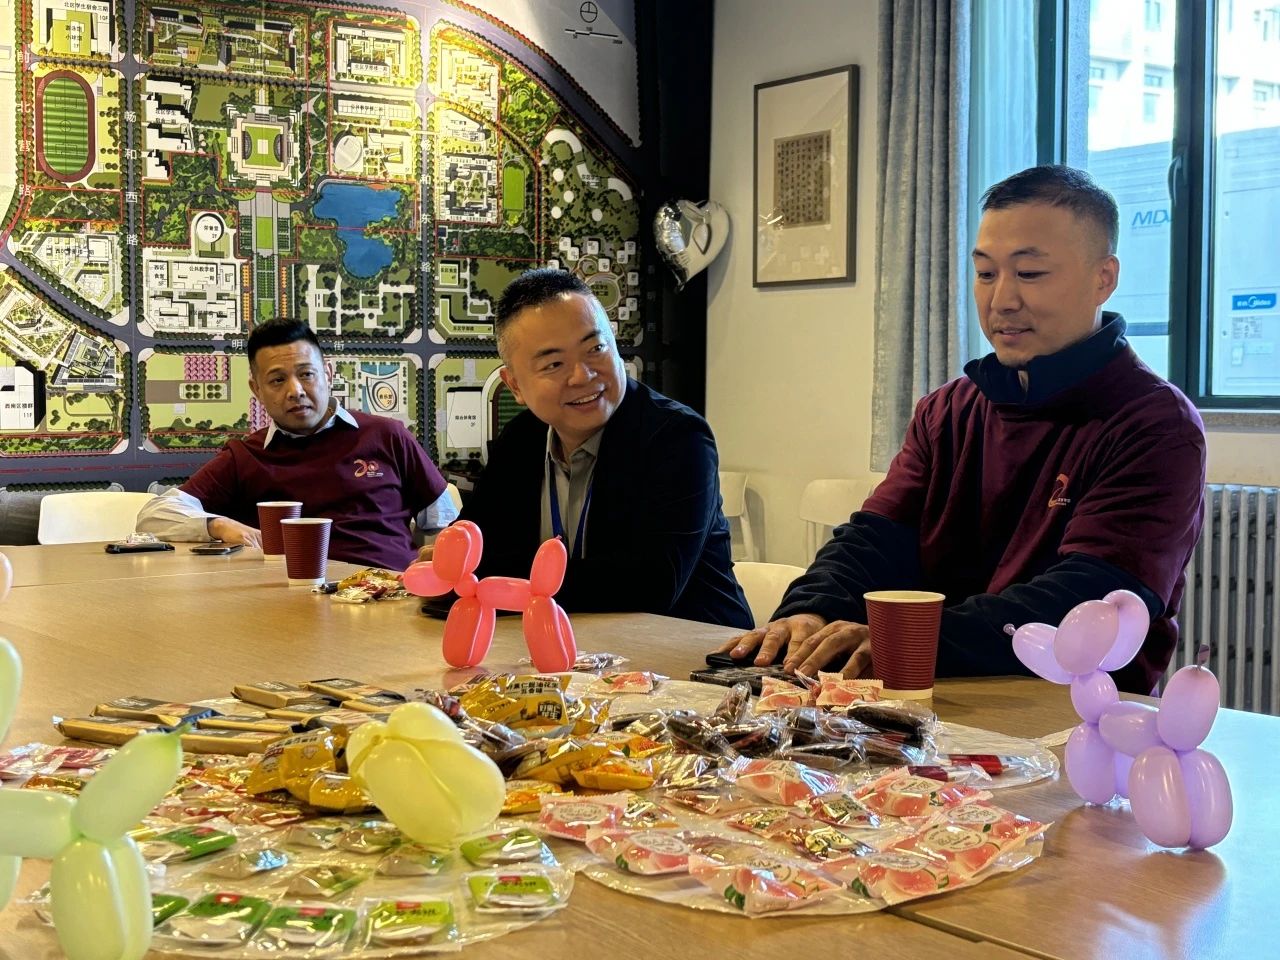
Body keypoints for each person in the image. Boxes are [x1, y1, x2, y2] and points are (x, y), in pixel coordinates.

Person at [716, 165, 1206, 694]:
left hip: (1071, 711)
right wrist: (811, 609)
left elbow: (1090, 600)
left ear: (1103, 278)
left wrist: (910, 638)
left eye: (1030, 273)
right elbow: (875, 538)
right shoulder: (949, 409)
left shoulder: (1154, 424)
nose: (1001, 300)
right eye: (986, 273)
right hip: (928, 695)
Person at [429, 268, 752, 628]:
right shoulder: (521, 438)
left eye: (596, 349)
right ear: (515, 385)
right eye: (554, 364)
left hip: (691, 647)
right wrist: (454, 563)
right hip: (564, 643)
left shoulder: (677, 437)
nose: (583, 376)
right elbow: (469, 548)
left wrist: (496, 575)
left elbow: (651, 585)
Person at [136, 319, 455, 570]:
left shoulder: (388, 436)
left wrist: (436, 568)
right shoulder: (246, 456)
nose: (296, 391)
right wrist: (218, 525)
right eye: (277, 380)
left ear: (327, 373)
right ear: (256, 389)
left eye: (306, 374)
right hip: (293, 602)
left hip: (389, 593)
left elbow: (445, 523)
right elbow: (154, 515)